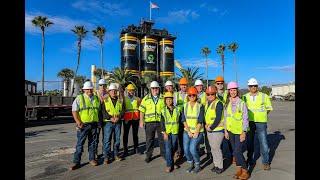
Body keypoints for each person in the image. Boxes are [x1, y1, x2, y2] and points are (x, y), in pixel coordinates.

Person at [243, 78, 273, 170]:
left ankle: (266, 162)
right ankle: (250, 159)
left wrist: (262, 116)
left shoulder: (264, 96)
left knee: (263, 142)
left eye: (255, 85)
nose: (253, 87)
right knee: (249, 142)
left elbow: (268, 108)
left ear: (257, 86)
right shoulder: (244, 97)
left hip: (261, 122)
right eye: (251, 86)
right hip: (249, 122)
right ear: (248, 87)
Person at [70, 81, 100, 170]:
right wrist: (78, 122)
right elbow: (74, 111)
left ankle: (92, 159)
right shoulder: (80, 98)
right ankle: (76, 162)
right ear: (84, 90)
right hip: (83, 125)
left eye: (90, 89)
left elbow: (97, 110)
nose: (89, 91)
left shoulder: (96, 98)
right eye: (87, 89)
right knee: (80, 144)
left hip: (94, 124)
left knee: (92, 143)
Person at [224, 82, 250, 179]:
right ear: (228, 91)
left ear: (237, 91)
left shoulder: (242, 103)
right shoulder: (227, 103)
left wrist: (243, 132)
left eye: (234, 90)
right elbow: (226, 117)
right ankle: (239, 169)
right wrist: (226, 131)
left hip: (239, 132)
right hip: (230, 131)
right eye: (231, 90)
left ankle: (245, 170)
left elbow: (245, 118)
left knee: (238, 151)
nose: (233, 92)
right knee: (235, 152)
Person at [139, 81, 165, 163]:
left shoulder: (163, 98)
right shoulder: (146, 99)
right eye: (153, 88)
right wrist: (141, 121)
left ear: (159, 89)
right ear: (150, 89)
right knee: (149, 140)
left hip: (160, 122)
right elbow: (142, 111)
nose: (155, 90)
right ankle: (149, 155)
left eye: (156, 88)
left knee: (162, 139)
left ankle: (163, 154)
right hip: (149, 123)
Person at [181, 86, 205, 174]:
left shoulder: (200, 106)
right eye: (190, 95)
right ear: (188, 96)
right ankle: (191, 163)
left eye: (193, 95)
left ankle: (198, 165)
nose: (192, 97)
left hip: (197, 132)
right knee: (186, 149)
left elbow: (200, 120)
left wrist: (196, 132)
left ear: (196, 95)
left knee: (192, 149)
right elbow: (183, 119)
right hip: (187, 131)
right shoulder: (185, 106)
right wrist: (188, 131)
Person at [101, 83, 124, 164]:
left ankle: (116, 154)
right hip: (108, 123)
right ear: (109, 92)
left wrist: (119, 117)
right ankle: (106, 157)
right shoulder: (105, 100)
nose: (113, 92)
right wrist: (110, 118)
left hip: (118, 122)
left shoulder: (120, 100)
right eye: (112, 91)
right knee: (107, 140)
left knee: (117, 140)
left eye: (115, 91)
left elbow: (123, 110)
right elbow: (103, 111)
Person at [204, 86, 225, 174]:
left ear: (215, 94)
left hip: (217, 130)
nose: (210, 96)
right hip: (210, 130)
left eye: (212, 94)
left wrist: (211, 127)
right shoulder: (207, 103)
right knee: (213, 149)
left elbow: (218, 118)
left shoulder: (218, 103)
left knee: (216, 148)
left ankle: (220, 166)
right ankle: (216, 165)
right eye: (208, 94)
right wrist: (206, 125)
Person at [215, 76, 234, 164]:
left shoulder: (228, 92)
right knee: (220, 141)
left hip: (228, 119)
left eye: (221, 83)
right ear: (215, 84)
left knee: (230, 140)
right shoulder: (213, 94)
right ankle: (221, 157)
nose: (220, 85)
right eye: (218, 83)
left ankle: (233, 156)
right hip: (218, 121)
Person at [160, 92, 181, 173]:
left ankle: (173, 163)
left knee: (174, 147)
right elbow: (161, 123)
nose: (169, 101)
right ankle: (169, 165)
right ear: (165, 100)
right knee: (168, 149)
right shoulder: (163, 110)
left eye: (170, 99)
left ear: (173, 100)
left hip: (175, 132)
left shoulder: (177, 109)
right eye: (167, 99)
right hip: (167, 133)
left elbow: (180, 120)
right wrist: (164, 133)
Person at [123, 84, 141, 157]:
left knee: (135, 134)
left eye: (132, 90)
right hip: (127, 119)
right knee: (125, 135)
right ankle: (125, 150)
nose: (131, 91)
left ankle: (136, 148)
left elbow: (140, 108)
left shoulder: (137, 99)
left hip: (135, 118)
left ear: (134, 91)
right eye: (130, 90)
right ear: (127, 91)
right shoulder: (124, 99)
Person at [173, 78, 188, 161]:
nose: (184, 86)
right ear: (180, 86)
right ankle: (179, 152)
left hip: (186, 119)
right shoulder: (176, 94)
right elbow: (174, 106)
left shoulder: (189, 94)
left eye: (185, 85)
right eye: (182, 85)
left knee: (185, 136)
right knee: (178, 136)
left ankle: (184, 151)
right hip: (178, 118)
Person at [95, 78, 108, 158]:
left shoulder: (108, 94)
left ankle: (104, 151)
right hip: (97, 119)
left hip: (106, 118)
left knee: (105, 137)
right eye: (100, 85)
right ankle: (95, 153)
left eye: (104, 85)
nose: (102, 87)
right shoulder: (95, 94)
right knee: (96, 137)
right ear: (98, 86)